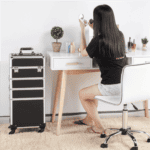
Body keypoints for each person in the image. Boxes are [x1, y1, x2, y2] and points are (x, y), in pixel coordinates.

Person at [74, 4, 127, 134]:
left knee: (82, 94)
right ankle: (88, 119)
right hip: (124, 85)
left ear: (97, 21)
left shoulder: (98, 40)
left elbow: (84, 53)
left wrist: (82, 30)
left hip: (110, 87)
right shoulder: (120, 35)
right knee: (91, 93)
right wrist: (95, 30)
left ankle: (98, 126)